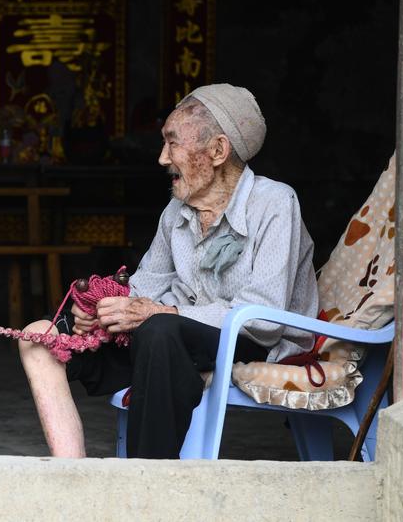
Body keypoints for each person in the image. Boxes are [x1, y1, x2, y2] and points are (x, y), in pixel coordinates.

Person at [19, 84, 318, 459]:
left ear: (218, 150)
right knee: (41, 336)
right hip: (167, 340)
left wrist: (164, 313)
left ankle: (149, 478)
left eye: (172, 143)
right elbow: (146, 285)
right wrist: (101, 309)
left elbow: (264, 319)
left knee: (159, 329)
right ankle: (73, 473)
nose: (162, 158)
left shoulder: (275, 202)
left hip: (247, 338)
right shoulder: (177, 210)